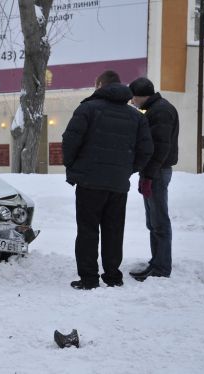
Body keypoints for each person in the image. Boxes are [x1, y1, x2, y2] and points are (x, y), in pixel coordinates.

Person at [62, 70, 153, 290]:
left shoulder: (87, 109)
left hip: (89, 182)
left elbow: (70, 141)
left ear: (100, 84)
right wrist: (128, 170)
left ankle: (89, 278)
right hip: (118, 184)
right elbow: (147, 150)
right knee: (114, 230)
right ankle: (113, 276)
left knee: (87, 230)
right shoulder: (136, 116)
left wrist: (73, 166)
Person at [128, 77, 179, 281]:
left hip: (157, 171)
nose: (132, 101)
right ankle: (156, 261)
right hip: (154, 171)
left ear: (141, 95)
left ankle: (161, 266)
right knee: (153, 221)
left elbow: (160, 147)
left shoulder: (160, 111)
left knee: (159, 221)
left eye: (133, 97)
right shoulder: (156, 109)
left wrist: (148, 175)